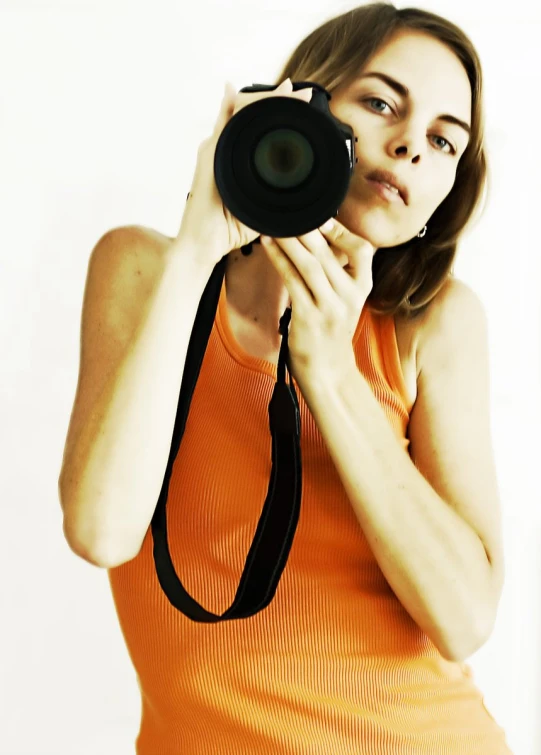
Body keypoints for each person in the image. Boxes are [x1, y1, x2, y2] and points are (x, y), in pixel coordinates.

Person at [58, 2, 513, 752]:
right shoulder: (144, 271)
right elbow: (101, 530)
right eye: (378, 103)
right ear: (299, 108)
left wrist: (330, 376)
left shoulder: (434, 322)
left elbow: (463, 619)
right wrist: (200, 243)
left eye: (442, 141)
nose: (408, 148)